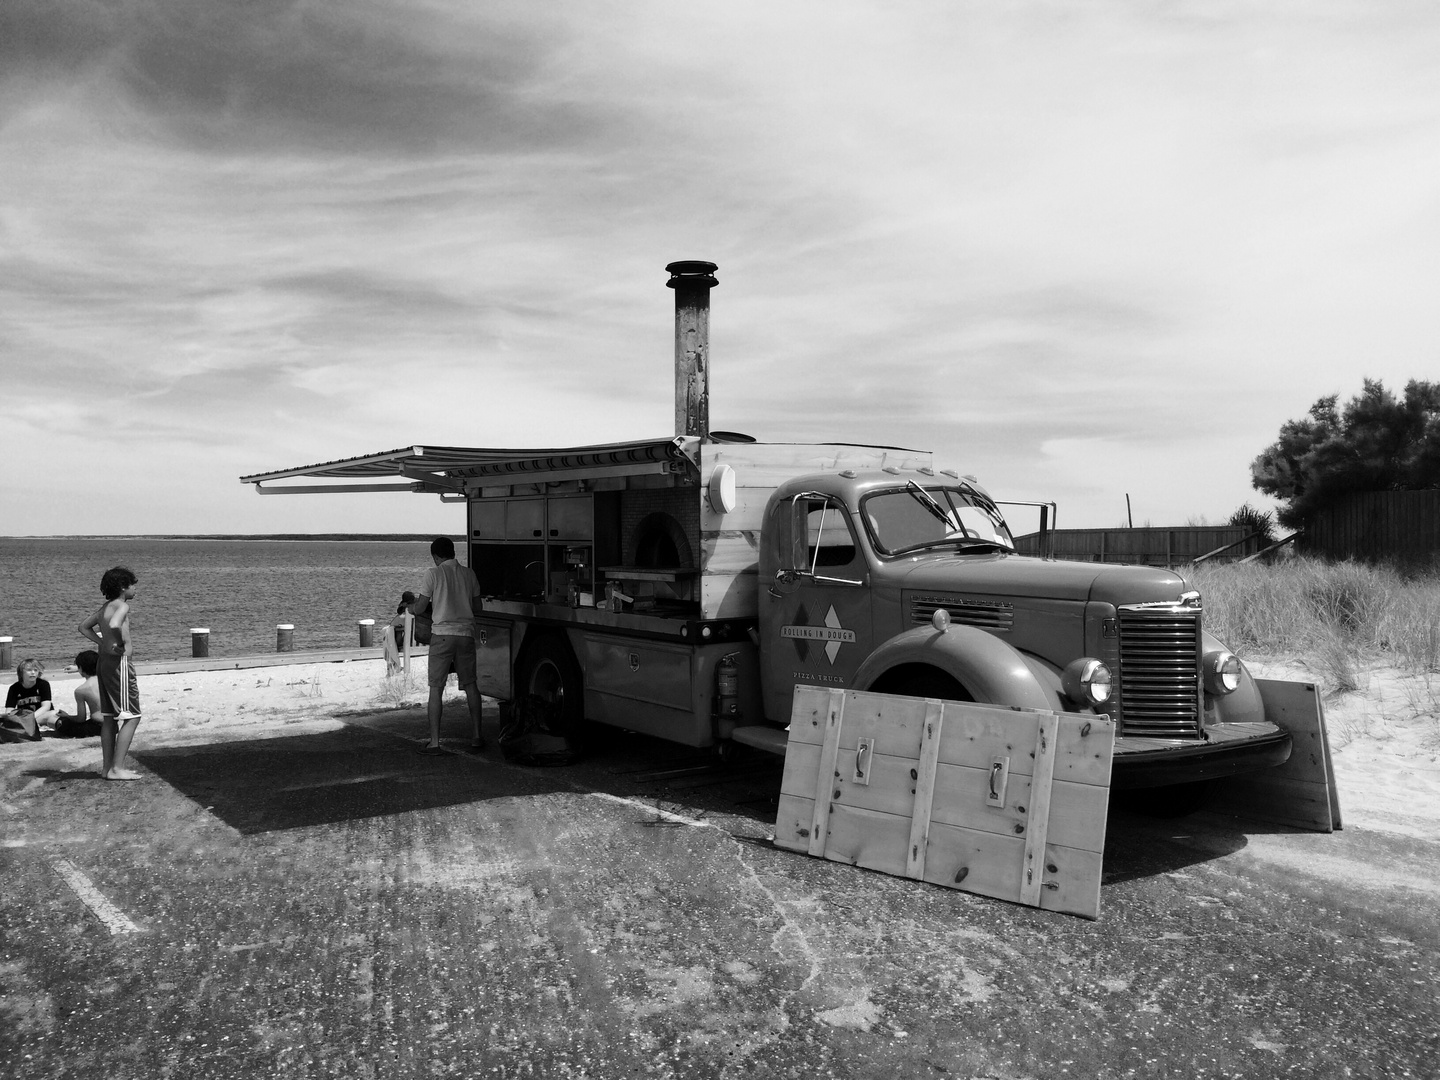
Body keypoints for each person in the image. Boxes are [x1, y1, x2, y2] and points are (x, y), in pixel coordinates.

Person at [409, 537, 484, 755]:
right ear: (452, 552)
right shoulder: (469, 574)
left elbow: (422, 605)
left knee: (436, 688)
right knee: (470, 685)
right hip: (465, 635)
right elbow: (477, 606)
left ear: (435, 556)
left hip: (442, 635)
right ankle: (477, 736)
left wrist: (412, 608)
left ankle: (434, 742)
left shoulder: (433, 574)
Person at [78, 567, 143, 781]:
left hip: (103, 662)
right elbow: (115, 623)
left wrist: (102, 642)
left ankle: (107, 768)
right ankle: (117, 768)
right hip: (119, 664)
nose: (136, 589)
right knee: (132, 716)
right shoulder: (121, 605)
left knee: (109, 718)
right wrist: (121, 642)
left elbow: (84, 627)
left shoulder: (104, 607)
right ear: (124, 587)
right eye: (134, 585)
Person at [53, 650, 104, 738]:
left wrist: (67, 716)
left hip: (96, 727)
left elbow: (81, 719)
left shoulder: (81, 690)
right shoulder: (106, 680)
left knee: (61, 723)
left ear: (80, 668)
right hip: (113, 725)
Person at [1, 659, 55, 741]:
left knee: (54, 713)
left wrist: (31, 719)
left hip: (39, 716)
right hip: (23, 717)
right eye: (29, 670)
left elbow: (46, 707)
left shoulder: (43, 685)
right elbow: (9, 710)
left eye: (35, 670)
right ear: (21, 673)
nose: (33, 672)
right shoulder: (14, 688)